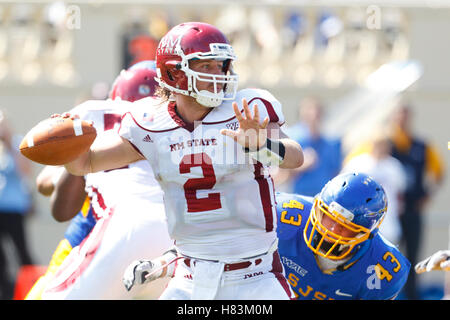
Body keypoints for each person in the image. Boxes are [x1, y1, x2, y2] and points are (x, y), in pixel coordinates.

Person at [57, 22, 303, 300]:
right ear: (173, 72)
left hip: (254, 278)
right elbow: (85, 164)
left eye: (221, 65)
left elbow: (294, 157)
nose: (218, 74)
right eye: (206, 66)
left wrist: (262, 146)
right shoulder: (150, 123)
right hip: (189, 277)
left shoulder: (245, 109)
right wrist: (66, 144)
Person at [124, 172, 410, 300]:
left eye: (344, 228)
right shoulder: (284, 214)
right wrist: (164, 263)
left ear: (367, 235)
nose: (329, 230)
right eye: (326, 218)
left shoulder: (384, 268)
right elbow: (216, 244)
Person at [31, 61, 174, 300]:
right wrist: (82, 163)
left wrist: (81, 161)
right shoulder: (180, 128)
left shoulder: (100, 119)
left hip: (104, 233)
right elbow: (46, 182)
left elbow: (48, 191)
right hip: (113, 235)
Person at [389, 103, 445, 300]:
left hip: (413, 209)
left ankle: (412, 296)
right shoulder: (385, 144)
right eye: (398, 115)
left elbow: (439, 171)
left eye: (405, 115)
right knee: (388, 256)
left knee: (413, 256)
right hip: (390, 213)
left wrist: (428, 196)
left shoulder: (422, 145)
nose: (401, 120)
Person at [341, 130, 407, 245]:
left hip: (388, 219)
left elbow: (400, 192)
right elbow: (343, 187)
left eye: (384, 145)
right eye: (378, 144)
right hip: (361, 219)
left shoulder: (393, 166)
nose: (381, 148)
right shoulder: (358, 162)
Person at [273, 97, 341, 196]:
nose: (313, 114)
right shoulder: (289, 139)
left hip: (323, 198)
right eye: (309, 110)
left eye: (316, 111)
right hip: (297, 199)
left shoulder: (332, 142)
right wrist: (300, 164)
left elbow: (336, 173)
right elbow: (279, 174)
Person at [0, 110, 34, 300]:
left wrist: (9, 143)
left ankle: (31, 289)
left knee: (22, 252)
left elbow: (26, 172)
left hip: (14, 209)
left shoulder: (16, 145)